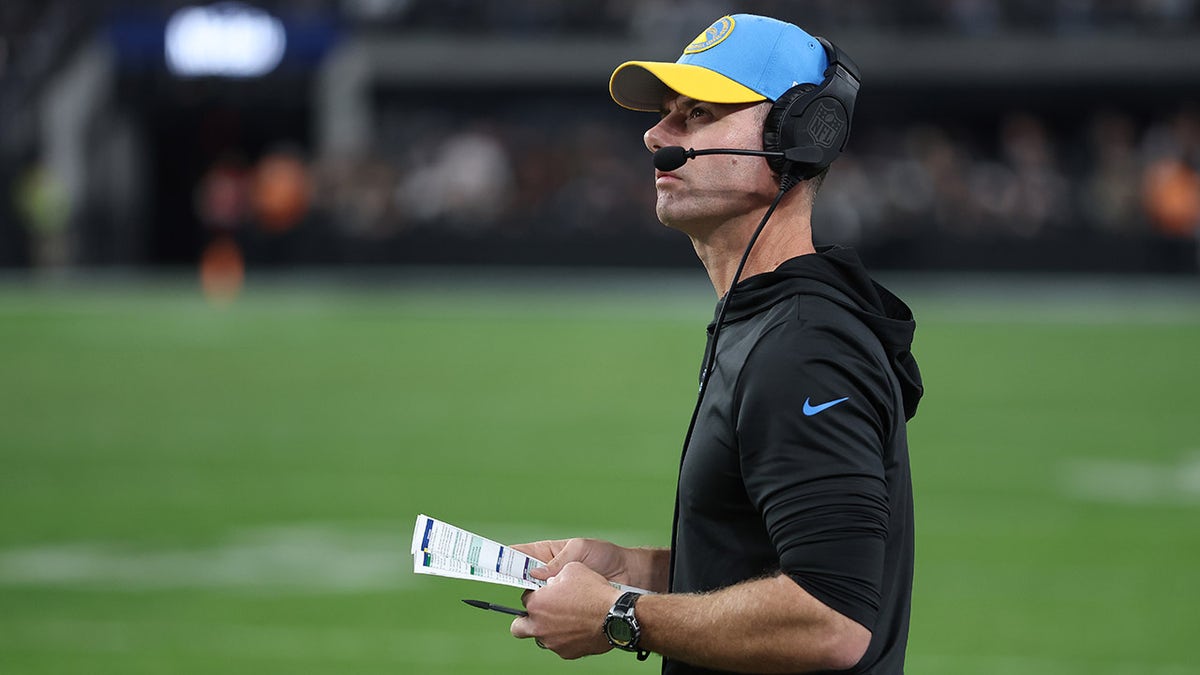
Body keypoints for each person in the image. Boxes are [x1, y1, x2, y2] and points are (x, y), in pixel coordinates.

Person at [509, 13, 924, 674]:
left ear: (797, 136)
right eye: (666, 113)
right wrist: (629, 568)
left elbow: (833, 619)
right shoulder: (767, 320)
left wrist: (620, 614)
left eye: (698, 113)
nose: (656, 136)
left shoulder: (803, 346)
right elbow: (756, 563)